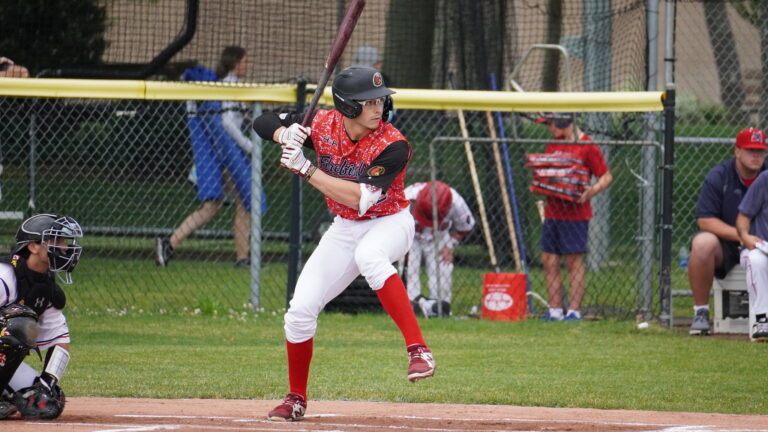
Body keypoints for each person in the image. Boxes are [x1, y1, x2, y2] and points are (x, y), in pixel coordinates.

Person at [252, 66, 435, 422]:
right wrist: (284, 133)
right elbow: (263, 120)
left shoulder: (393, 143)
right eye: (368, 102)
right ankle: (296, 398)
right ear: (347, 107)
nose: (378, 108)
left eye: (381, 100)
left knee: (370, 256)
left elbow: (359, 200)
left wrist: (307, 169)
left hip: (390, 221)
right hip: (344, 227)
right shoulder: (321, 124)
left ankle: (419, 349)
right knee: (300, 311)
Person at [157, 46, 261, 269]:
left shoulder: (226, 85)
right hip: (227, 153)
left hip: (223, 152)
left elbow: (232, 119)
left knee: (212, 206)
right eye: (244, 61)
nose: (247, 65)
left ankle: (170, 243)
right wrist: (250, 146)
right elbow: (226, 123)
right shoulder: (229, 85)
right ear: (234, 63)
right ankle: (242, 259)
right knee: (244, 203)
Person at [0, 213, 83, 420]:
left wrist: (45, 384)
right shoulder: (4, 276)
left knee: (50, 400)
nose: (64, 246)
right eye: (55, 240)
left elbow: (60, 340)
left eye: (64, 240)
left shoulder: (45, 289)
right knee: (16, 324)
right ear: (33, 246)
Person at [534, 112, 613, 321]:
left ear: (563, 121)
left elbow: (606, 175)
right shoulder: (554, 144)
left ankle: (574, 311)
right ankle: (555, 310)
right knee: (549, 259)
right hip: (553, 210)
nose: (550, 129)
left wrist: (591, 191)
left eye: (551, 124)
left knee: (573, 261)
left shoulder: (587, 145)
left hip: (576, 214)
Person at [689, 128, 768, 335]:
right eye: (750, 150)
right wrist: (743, 236)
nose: (756, 155)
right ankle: (701, 312)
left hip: (763, 241)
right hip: (727, 242)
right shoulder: (720, 176)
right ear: (737, 151)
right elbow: (705, 220)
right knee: (702, 243)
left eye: (760, 150)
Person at [404, 181, 475, 317]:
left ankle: (440, 309)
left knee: (443, 270)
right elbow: (392, 221)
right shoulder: (409, 195)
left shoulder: (457, 202)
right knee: (408, 270)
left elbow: (466, 227)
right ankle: (410, 307)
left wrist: (450, 246)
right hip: (410, 235)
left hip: (439, 236)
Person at [735, 169, 768, 341]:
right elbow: (743, 216)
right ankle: (762, 320)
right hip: (762, 247)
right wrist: (745, 236)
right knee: (756, 260)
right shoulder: (765, 179)